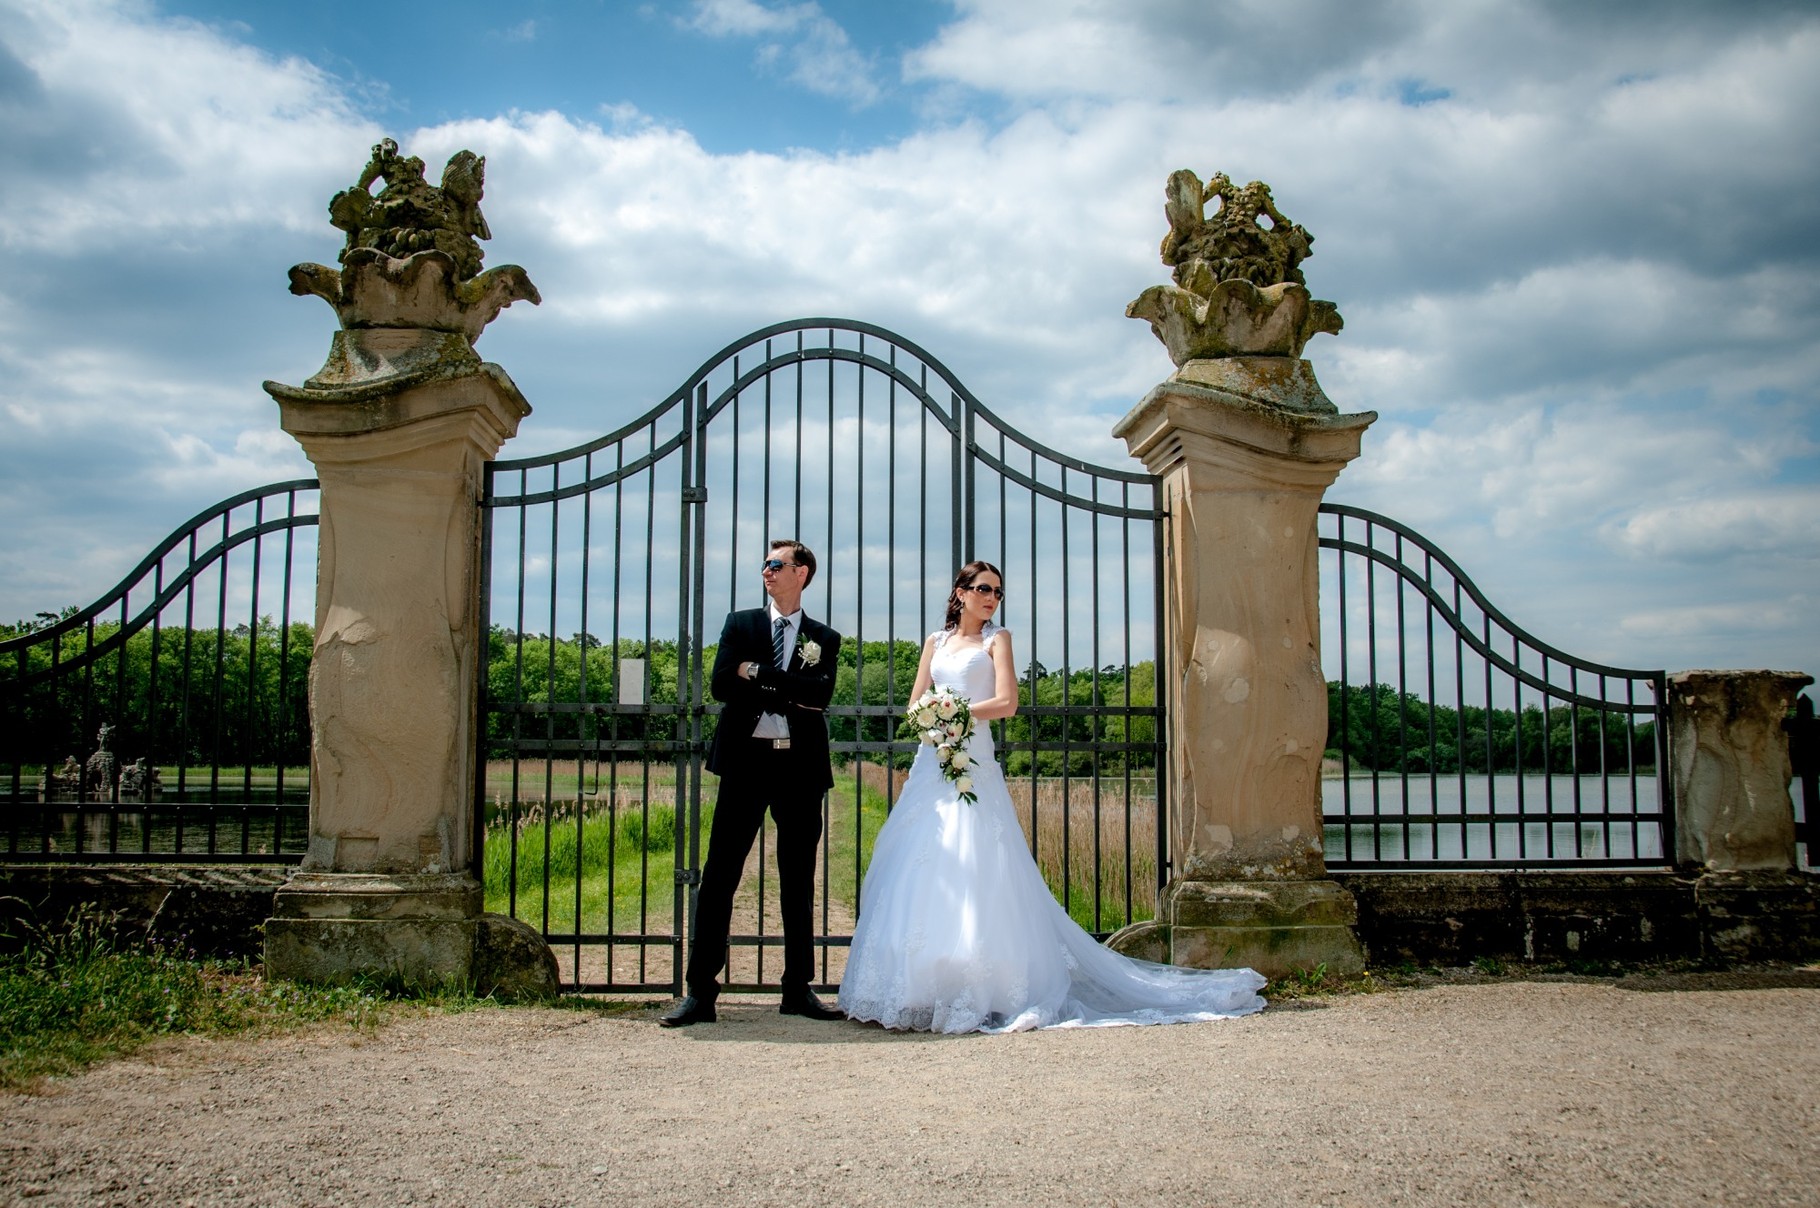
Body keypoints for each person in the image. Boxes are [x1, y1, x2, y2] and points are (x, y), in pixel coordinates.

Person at [839, 561, 1267, 1033]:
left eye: (998, 592)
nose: (991, 599)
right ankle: (918, 987)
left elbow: (1007, 702)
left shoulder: (997, 640)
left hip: (974, 760)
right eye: (983, 589)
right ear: (960, 593)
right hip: (932, 766)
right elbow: (916, 701)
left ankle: (987, 986)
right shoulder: (934, 642)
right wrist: (932, 715)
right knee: (923, 862)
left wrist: (957, 710)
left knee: (980, 860)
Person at [660, 540, 845, 1026]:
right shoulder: (739, 624)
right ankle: (701, 993)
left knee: (798, 879)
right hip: (745, 764)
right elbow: (722, 683)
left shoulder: (824, 637)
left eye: (775, 564)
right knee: (720, 875)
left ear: (801, 573)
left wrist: (758, 673)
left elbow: (819, 696)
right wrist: (785, 686)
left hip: (800, 769)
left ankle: (797, 989)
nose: (766, 571)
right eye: (765, 564)